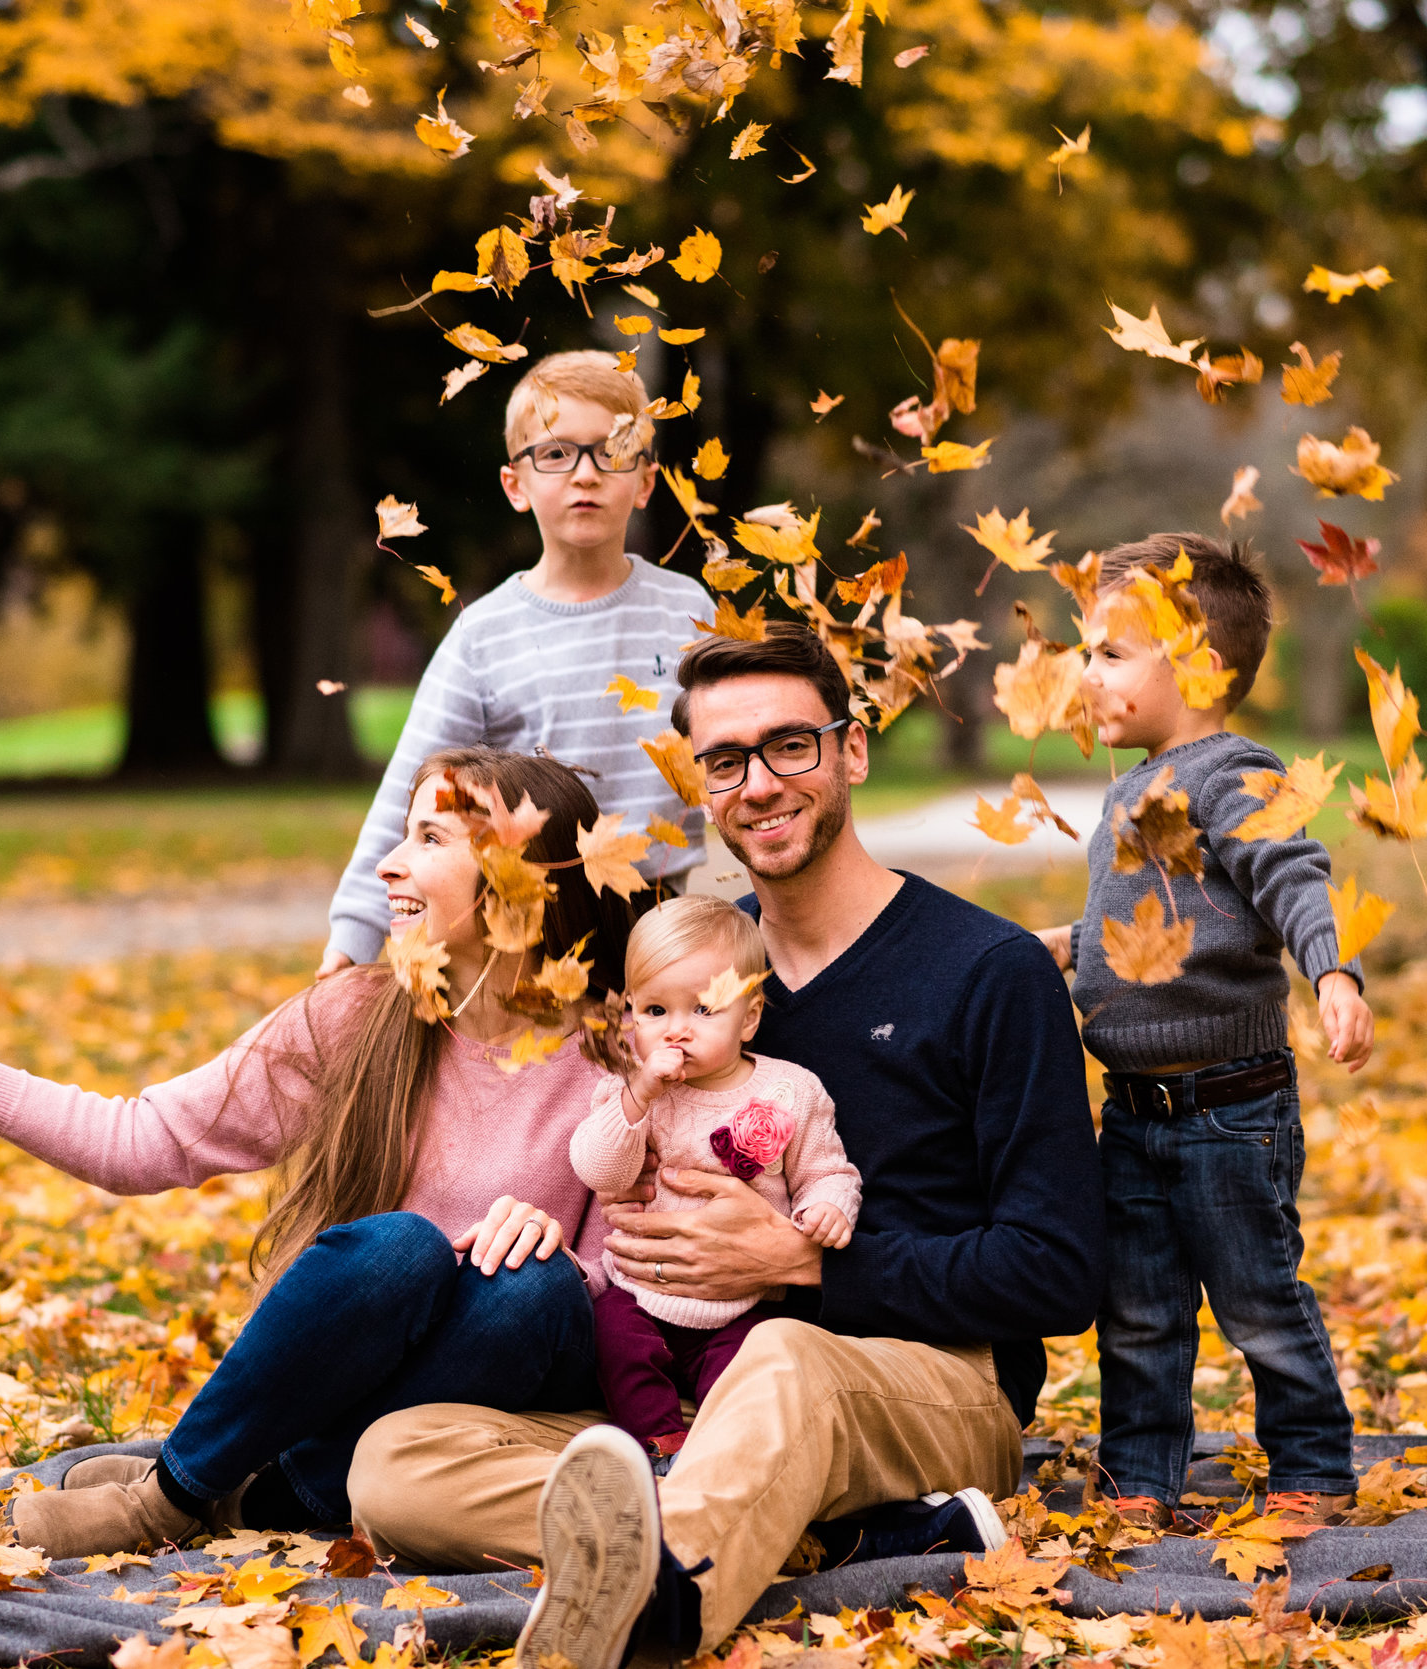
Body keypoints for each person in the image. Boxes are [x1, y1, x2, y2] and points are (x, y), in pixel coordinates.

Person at [344, 625, 1103, 1669]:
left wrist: (806, 1262)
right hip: (678, 1387)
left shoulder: (987, 970)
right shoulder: (680, 976)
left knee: (789, 1357)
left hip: (917, 1380)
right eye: (724, 759)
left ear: (853, 750)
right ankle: (841, 1532)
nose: (758, 783)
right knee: (396, 1459)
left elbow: (1060, 1272)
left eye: (791, 745)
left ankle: (649, 1613)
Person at [0, 748, 634, 1558]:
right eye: (402, 833)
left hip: (515, 1385)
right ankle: (213, 1495)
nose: (388, 865)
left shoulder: (619, 1053)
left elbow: (645, 1278)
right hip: (361, 1383)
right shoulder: (355, 1018)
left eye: (430, 838)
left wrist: (570, 1256)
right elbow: (138, 1140)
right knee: (399, 1246)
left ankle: (200, 1492)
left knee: (531, 1289)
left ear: (523, 883)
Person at [1033, 533, 1371, 1531]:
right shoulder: (1131, 787)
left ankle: (1312, 1463)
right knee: (1137, 1312)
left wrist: (1334, 971)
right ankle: (1143, 1476)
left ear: (1196, 663)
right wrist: (1069, 942)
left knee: (1258, 1297)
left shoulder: (1234, 772)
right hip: (1133, 1110)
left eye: (1107, 651)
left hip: (1230, 1108)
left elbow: (1289, 878)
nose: (1083, 672)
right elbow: (1166, 922)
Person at [320, 351, 709, 976]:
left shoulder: (687, 610)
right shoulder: (485, 634)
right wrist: (353, 942)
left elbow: (726, 753)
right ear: (515, 485)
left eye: (611, 450)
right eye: (555, 454)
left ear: (645, 481)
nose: (585, 474)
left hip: (659, 929)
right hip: (530, 935)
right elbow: (405, 798)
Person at [571, 896, 860, 1470]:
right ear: (630, 1015)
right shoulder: (630, 1091)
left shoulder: (789, 1092)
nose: (675, 1032)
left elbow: (826, 1170)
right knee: (612, 1336)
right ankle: (660, 1448)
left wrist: (829, 1208)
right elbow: (598, 1170)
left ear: (749, 1016)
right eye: (655, 1011)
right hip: (639, 1296)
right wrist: (639, 1097)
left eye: (703, 1010)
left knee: (756, 1367)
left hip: (741, 1305)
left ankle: (725, 1457)